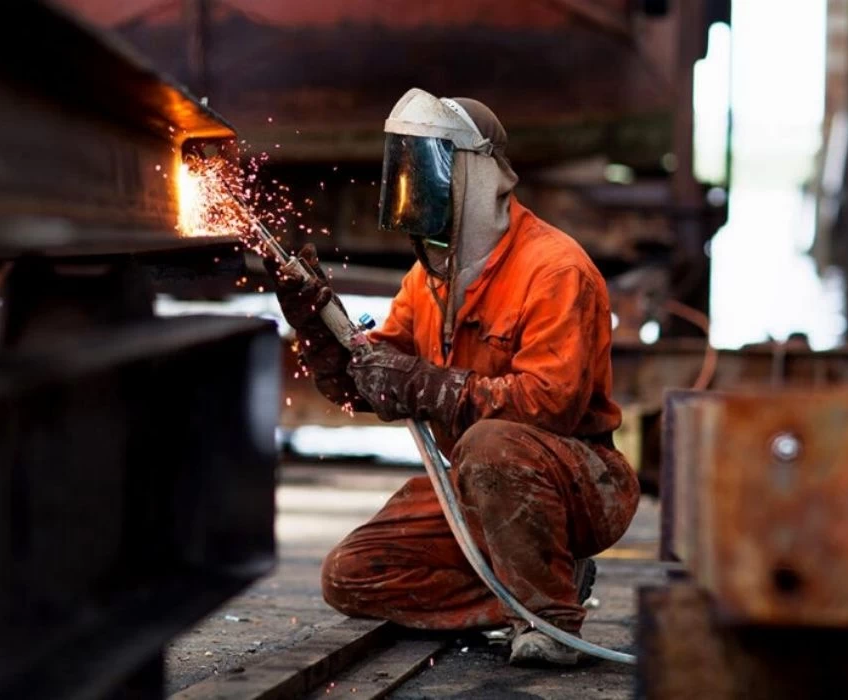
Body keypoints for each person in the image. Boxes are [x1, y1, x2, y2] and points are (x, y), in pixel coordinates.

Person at [263, 88, 640, 666]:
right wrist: (318, 328)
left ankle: (550, 619)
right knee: (351, 575)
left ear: (475, 173)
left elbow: (551, 406)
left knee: (492, 444)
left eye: (425, 169)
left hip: (579, 484)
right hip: (477, 487)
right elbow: (370, 383)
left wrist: (428, 385)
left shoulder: (556, 269)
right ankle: (534, 582)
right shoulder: (427, 279)